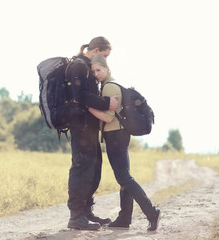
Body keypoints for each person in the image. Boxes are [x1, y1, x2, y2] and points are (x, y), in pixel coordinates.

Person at [88, 54, 161, 231]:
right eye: (93, 71)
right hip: (119, 135)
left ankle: (151, 212)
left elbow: (108, 116)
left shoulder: (109, 87)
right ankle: (124, 218)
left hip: (116, 136)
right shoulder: (111, 85)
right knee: (124, 176)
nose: (96, 74)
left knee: (124, 177)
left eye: (99, 70)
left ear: (106, 68)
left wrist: (88, 106)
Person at [66, 37, 119, 230]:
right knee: (81, 169)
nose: (105, 60)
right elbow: (79, 97)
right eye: (104, 55)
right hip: (80, 127)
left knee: (94, 170)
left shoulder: (88, 68)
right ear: (96, 50)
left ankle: (86, 212)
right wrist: (107, 103)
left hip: (90, 129)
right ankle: (76, 217)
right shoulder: (78, 66)